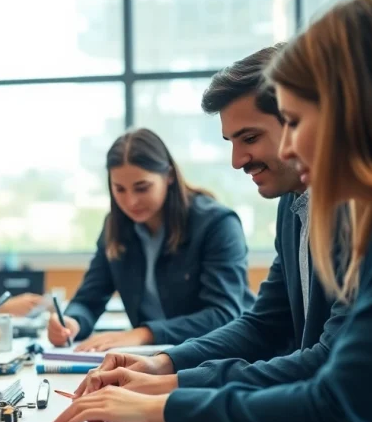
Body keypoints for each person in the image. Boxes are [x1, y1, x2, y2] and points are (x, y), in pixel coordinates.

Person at [50, 0, 372, 422]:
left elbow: (336, 400)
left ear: (351, 108)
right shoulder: (327, 208)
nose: (287, 147)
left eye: (293, 122)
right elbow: (266, 324)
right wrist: (166, 372)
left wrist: (168, 399)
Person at [63, 46, 356, 422]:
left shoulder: (358, 212)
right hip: (308, 410)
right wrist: (161, 363)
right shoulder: (291, 205)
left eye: (250, 138)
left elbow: (327, 361)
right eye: (231, 143)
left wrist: (170, 390)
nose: (237, 160)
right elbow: (264, 324)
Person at [48, 128, 253, 351]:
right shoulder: (115, 227)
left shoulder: (217, 224)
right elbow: (88, 300)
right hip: (153, 356)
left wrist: (144, 334)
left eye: (142, 187)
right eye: (119, 189)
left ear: (169, 176)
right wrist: (71, 322)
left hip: (220, 355)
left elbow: (223, 315)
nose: (131, 201)